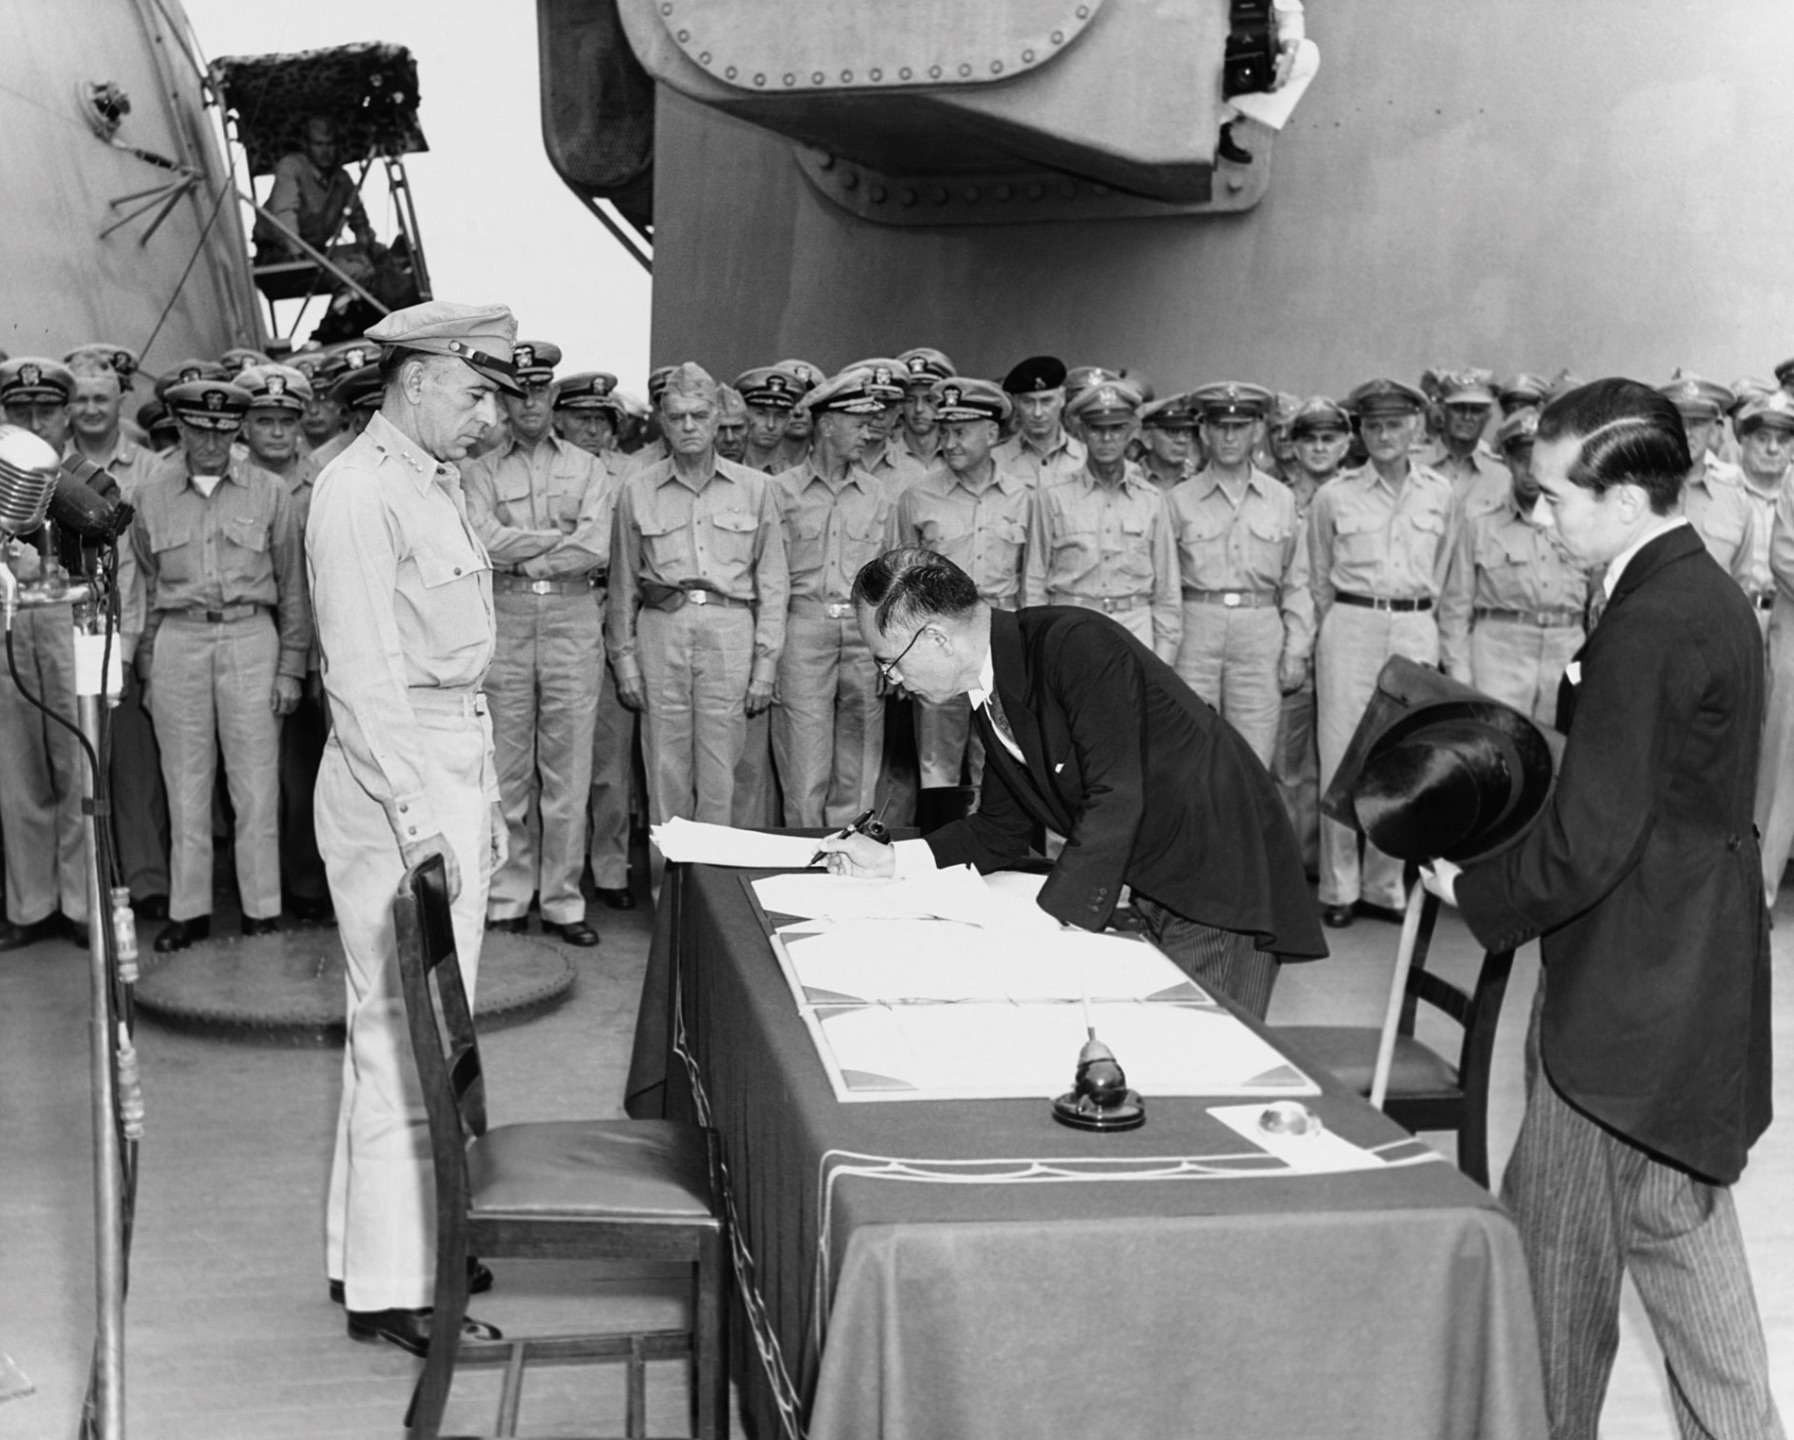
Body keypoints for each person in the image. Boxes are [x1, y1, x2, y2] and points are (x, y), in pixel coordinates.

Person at [1426, 379, 1783, 1440]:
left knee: (1558, 1276)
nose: (1540, 515)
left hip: (1628, 997)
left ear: (1626, 500)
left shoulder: (1653, 619)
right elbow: (1634, 796)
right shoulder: (1696, 588)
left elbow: (1598, 835)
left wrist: (1474, 889)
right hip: (1687, 971)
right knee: (1677, 1225)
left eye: (1555, 497)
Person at [821, 547, 1326, 1018]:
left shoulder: (1074, 645)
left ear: (935, 638)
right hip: (1159, 873)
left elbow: (1118, 795)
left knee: (1202, 1055)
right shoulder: (992, 686)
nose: (890, 679)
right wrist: (893, 860)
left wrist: (1047, 919)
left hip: (1219, 873)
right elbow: (1000, 829)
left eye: (888, 661)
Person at [309, 300, 516, 1355]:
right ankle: (400, 1288)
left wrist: (482, 805)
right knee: (403, 1034)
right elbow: (363, 677)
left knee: (424, 1027)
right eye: (476, 392)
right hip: (394, 773)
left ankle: (382, 1247)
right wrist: (418, 816)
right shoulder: (359, 491)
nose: (488, 417)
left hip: (445, 759)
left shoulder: (432, 483)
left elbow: (454, 666)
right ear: (419, 376)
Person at [126, 380, 310, 953]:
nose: (210, 439)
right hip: (180, 637)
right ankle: (190, 911)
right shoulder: (150, 494)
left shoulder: (269, 491)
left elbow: (293, 586)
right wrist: (151, 665)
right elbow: (148, 583)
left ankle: (261, 910)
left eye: (223, 428)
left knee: (255, 785)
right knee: (185, 783)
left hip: (252, 635)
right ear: (178, 427)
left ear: (237, 430)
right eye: (198, 428)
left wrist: (291, 667)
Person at [463, 341, 611, 947]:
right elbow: (481, 538)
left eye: (540, 391)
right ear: (503, 397)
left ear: (553, 396)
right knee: (506, 765)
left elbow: (595, 545)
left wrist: (519, 547)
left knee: (568, 770)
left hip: (574, 617)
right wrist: (550, 541)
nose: (530, 402)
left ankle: (562, 901)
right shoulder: (477, 469)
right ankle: (507, 894)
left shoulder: (589, 467)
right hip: (507, 614)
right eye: (517, 391)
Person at [608, 362, 788, 829]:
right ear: (662, 423)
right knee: (664, 769)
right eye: (677, 416)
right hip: (662, 630)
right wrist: (624, 661)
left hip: (730, 630)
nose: (689, 426)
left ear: (717, 420)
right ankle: (669, 895)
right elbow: (623, 584)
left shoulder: (757, 490)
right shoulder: (636, 490)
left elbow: (773, 583)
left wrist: (766, 668)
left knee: (722, 773)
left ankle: (714, 895)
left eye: (700, 415)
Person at [1308, 378, 1456, 928]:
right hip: (1351, 623)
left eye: (1395, 424)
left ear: (1415, 427)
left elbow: (1449, 573)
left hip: (1415, 624)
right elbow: (1318, 576)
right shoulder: (1334, 495)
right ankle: (1340, 888)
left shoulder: (1440, 493)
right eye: (1373, 425)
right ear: (1360, 431)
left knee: (1402, 755)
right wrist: (1345, 622)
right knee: (1342, 753)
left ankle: (1383, 885)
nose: (1385, 435)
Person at [0, 358, 117, 950]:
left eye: (45, 410)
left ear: (66, 415)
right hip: (9, 627)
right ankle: (29, 905)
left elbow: (121, 571)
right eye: (21, 411)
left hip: (72, 626)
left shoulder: (87, 480)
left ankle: (79, 903)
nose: (34, 420)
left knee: (77, 768)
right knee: (16, 776)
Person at [64, 349, 170, 919]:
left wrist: (132, 647)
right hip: (71, 636)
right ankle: (95, 890)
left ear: (119, 401)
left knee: (135, 769)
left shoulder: (149, 469)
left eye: (100, 398)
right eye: (79, 399)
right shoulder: (53, 470)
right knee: (83, 765)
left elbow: (147, 563)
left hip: (125, 633)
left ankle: (149, 884)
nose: (90, 409)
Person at [769, 368, 897, 826]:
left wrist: (888, 652)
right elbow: (770, 579)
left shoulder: (879, 495)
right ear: (826, 425)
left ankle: (851, 871)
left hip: (864, 639)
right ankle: (803, 876)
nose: (869, 432)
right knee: (804, 773)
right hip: (803, 632)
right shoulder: (780, 492)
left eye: (872, 422)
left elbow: (890, 582)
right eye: (858, 422)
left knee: (859, 771)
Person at [895, 376, 1036, 789]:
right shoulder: (917, 498)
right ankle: (937, 852)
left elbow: (1033, 578)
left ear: (992, 433)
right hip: (938, 645)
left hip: (1002, 644)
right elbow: (900, 587)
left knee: (1004, 762)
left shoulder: (1025, 498)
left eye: (960, 432)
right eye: (944, 431)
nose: (949, 442)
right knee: (937, 766)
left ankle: (1000, 855)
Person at [1166, 381, 1312, 766]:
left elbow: (1298, 581)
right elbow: (1164, 584)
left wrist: (1296, 649)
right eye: (1219, 427)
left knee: (1253, 757)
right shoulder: (1178, 500)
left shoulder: (1281, 499)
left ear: (1258, 430)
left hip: (1260, 632)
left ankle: (1245, 828)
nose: (1229, 437)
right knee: (1188, 750)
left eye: (1240, 426)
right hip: (1196, 631)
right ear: (1204, 432)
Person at [236, 364, 333, 923]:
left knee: (305, 776)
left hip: (314, 646)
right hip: (256, 635)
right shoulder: (235, 478)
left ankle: (304, 883)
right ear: (244, 426)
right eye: (263, 420)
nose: (276, 432)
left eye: (286, 421)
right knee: (253, 779)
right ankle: (257, 889)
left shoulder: (324, 481)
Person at [1436, 409, 1591, 725]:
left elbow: (1600, 606)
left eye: (1542, 463)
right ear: (1506, 461)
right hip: (1498, 662)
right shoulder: (1480, 525)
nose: (1532, 472)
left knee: (1559, 757)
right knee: (1498, 754)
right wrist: (1461, 678)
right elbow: (1455, 609)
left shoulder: (1582, 528)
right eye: (1523, 460)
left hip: (1565, 658)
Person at [553, 371, 638, 910]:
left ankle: (609, 869)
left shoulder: (632, 475)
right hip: (568, 607)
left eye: (602, 420)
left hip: (619, 610)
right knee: (558, 759)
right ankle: (557, 873)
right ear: (561, 419)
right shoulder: (554, 470)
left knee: (611, 761)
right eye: (582, 418)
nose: (592, 429)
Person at [1023, 381, 1180, 661]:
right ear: (1080, 431)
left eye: (1116, 428)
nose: (1107, 438)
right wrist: (1037, 646)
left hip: (1135, 630)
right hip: (1071, 628)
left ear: (1131, 431)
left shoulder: (1152, 500)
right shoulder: (1052, 496)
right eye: (1097, 428)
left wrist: (1164, 657)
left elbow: (1167, 589)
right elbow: (1034, 582)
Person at [1269, 396, 1352, 875]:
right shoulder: (1280, 500)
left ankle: (1330, 868)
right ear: (1293, 446)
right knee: (1289, 765)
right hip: (1293, 647)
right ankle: (1293, 865)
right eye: (1309, 439)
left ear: (1345, 444)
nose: (1319, 448)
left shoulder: (1358, 497)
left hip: (1344, 646)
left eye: (1329, 438)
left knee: (1339, 764)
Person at [1660, 375, 1759, 585]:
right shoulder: (1639, 493)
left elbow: (1740, 583)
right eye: (1678, 422)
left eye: (1697, 423)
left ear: (1715, 429)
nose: (1686, 433)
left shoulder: (1737, 503)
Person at [256, 115, 377, 260]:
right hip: (278, 255)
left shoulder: (342, 178)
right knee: (356, 272)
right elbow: (285, 216)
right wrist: (298, 254)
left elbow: (359, 219)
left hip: (315, 253)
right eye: (319, 144)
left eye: (330, 144)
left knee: (378, 253)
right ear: (307, 146)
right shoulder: (291, 168)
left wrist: (362, 249)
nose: (325, 151)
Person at [994, 355, 1086, 489]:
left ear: (1062, 398)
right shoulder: (996, 460)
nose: (1038, 413)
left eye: (1046, 401)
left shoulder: (1085, 456)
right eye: (1028, 402)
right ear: (1016, 403)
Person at [893, 347, 954, 471]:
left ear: (943, 403)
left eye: (929, 400)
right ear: (900, 405)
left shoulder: (960, 459)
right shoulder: (885, 460)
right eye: (910, 400)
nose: (919, 409)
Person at [1137, 393, 1201, 492]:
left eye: (1187, 431)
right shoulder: (1128, 480)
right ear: (1147, 439)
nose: (1182, 440)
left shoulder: (1201, 484)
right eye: (1173, 431)